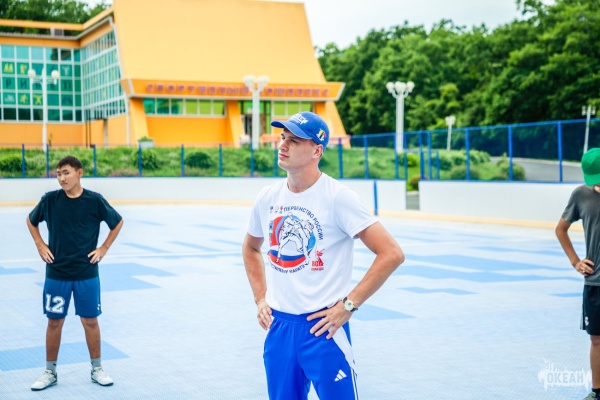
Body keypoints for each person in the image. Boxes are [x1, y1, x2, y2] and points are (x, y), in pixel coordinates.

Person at [242, 111, 405, 399]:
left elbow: (391, 253)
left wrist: (349, 305)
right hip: (279, 328)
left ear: (317, 150)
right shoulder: (268, 197)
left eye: (294, 141)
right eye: (283, 137)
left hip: (323, 329)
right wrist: (260, 298)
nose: (283, 145)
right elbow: (251, 247)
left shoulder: (338, 198)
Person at [26, 155, 124, 391]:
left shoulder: (94, 201)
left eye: (66, 173)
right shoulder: (50, 200)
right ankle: (50, 372)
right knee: (54, 322)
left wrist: (104, 248)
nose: (62, 178)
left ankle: (97, 368)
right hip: (56, 273)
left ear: (79, 173)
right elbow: (31, 221)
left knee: (90, 321)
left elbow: (117, 222)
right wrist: (40, 244)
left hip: (86, 273)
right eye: (58, 174)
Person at [556, 147, 600, 400]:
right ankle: (597, 392)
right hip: (595, 281)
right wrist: (575, 262)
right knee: (597, 340)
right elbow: (560, 229)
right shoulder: (581, 195)